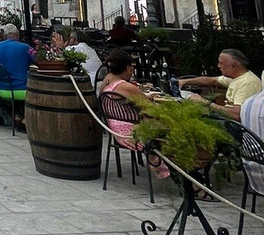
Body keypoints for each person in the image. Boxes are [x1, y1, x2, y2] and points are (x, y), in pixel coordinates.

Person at [98, 48, 170, 178]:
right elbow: (152, 110)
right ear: (127, 68)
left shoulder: (107, 80)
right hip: (134, 133)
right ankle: (181, 175)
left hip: (116, 130)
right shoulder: (125, 86)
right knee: (174, 127)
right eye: (131, 69)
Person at [180, 48, 262, 120]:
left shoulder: (247, 83)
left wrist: (204, 102)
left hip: (237, 128)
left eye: (221, 63)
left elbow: (237, 115)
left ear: (233, 66)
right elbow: (212, 80)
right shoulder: (235, 78)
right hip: (228, 121)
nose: (218, 66)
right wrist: (184, 81)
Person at [0, 24, 34, 129]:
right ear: (17, 34)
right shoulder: (25, 47)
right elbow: (39, 62)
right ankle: (25, 119)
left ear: (4, 35)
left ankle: (15, 115)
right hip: (22, 91)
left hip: (1, 90)